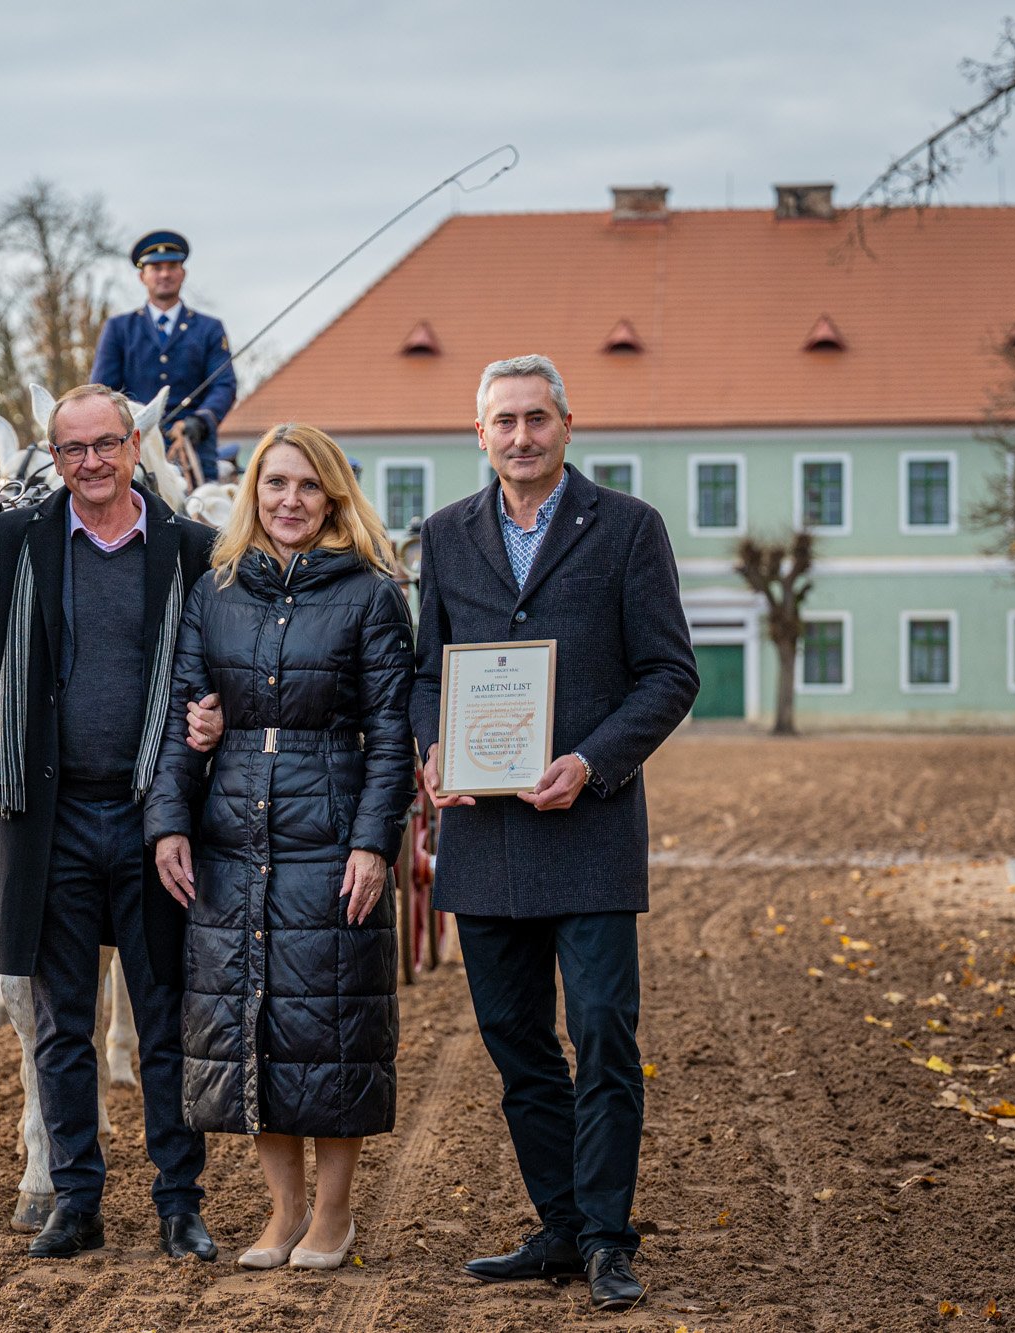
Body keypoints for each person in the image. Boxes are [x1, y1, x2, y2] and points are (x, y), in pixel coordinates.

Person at [411, 355, 698, 1313]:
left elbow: (670, 674)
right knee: (515, 1040)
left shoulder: (626, 529)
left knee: (606, 1031)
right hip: (486, 841)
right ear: (479, 432)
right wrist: (436, 741)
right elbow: (424, 670)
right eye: (506, 421)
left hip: (591, 829)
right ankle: (562, 1225)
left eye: (539, 419)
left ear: (568, 427)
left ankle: (611, 1236)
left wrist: (591, 761)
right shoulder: (446, 536)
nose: (522, 436)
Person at [0, 383, 220, 1261]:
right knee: (61, 1024)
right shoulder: (11, 542)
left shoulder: (190, 549)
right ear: (55, 457)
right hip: (48, 821)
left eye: (105, 445)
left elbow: (224, 655)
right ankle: (76, 1196)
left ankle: (177, 1199)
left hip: (158, 818)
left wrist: (219, 710)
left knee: (165, 1019)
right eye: (72, 447)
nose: (90, 461)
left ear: (133, 447)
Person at [145, 423, 414, 1270]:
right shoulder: (216, 591)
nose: (289, 501)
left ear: (332, 496)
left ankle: (333, 1216)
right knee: (250, 1024)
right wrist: (168, 822)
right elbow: (184, 715)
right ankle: (283, 1211)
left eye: (306, 486)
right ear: (253, 493)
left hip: (329, 832)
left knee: (327, 1027)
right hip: (232, 837)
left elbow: (392, 736)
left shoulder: (371, 595)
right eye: (274, 485)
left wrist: (375, 844)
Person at [89, 230, 236, 483]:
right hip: (136, 451)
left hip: (195, 450)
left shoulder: (209, 328)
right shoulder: (119, 329)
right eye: (156, 268)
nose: (165, 274)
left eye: (172, 266)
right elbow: (102, 392)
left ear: (183, 273)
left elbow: (224, 385)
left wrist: (201, 421)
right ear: (142, 276)